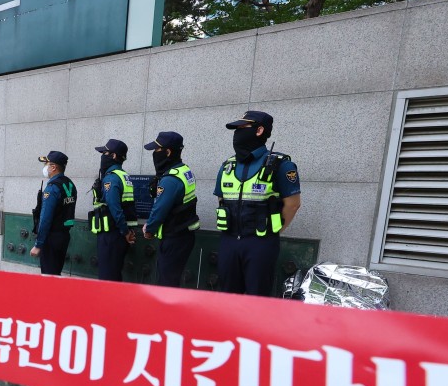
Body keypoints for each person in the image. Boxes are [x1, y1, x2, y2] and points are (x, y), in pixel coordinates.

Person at [215, 110, 302, 296]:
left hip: (260, 243)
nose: (237, 133)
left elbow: (293, 204)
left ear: (259, 130)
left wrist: (273, 231)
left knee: (257, 297)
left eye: (241, 128)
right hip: (229, 241)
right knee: (227, 297)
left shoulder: (280, 165)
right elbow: (222, 199)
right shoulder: (227, 166)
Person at [141, 132, 201, 287]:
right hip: (183, 234)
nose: (154, 154)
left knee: (167, 282)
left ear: (168, 152)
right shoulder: (184, 171)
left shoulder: (171, 179)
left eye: (157, 150)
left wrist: (150, 229)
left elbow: (160, 209)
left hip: (174, 237)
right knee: (172, 279)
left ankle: (166, 311)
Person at [90, 139, 137, 281]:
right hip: (117, 234)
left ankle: (108, 303)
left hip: (112, 234)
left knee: (107, 277)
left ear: (114, 156)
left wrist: (125, 232)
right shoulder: (123, 175)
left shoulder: (112, 178)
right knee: (114, 274)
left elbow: (115, 208)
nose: (102, 156)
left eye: (105, 152)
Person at [30, 151, 77, 275]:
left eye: (46, 164)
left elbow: (45, 218)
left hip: (51, 238)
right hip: (64, 236)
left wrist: (38, 245)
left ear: (53, 167)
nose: (44, 168)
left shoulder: (52, 188)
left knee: (48, 276)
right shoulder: (69, 184)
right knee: (55, 273)